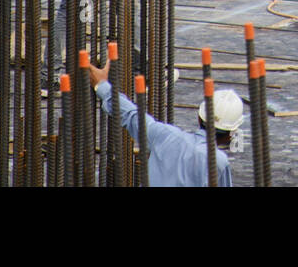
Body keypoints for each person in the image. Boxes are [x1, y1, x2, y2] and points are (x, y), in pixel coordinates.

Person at [88, 60, 238, 186]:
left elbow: (131, 115)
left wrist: (102, 85)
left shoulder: (166, 135)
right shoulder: (218, 162)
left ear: (199, 118)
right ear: (230, 134)